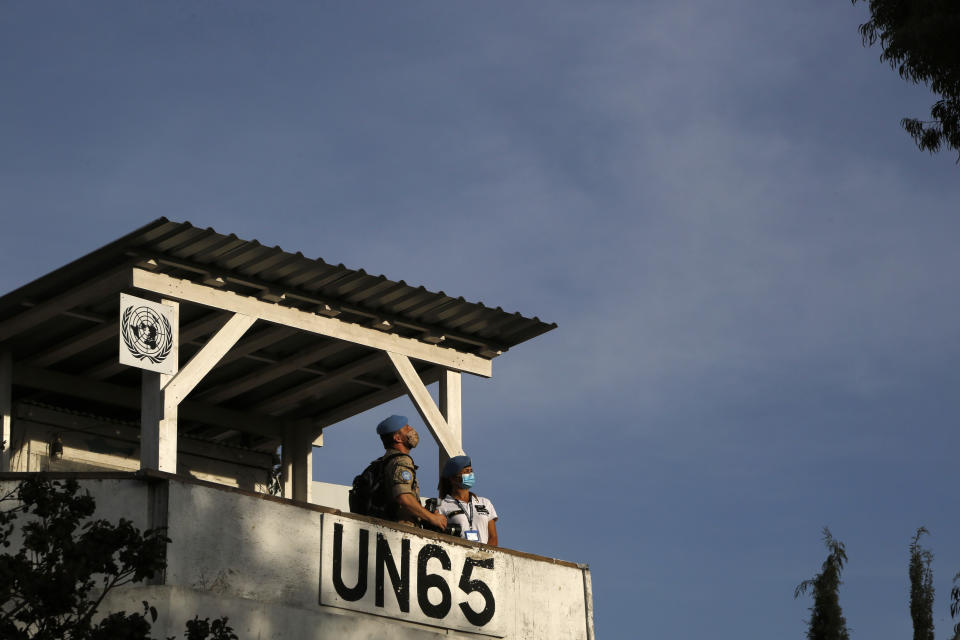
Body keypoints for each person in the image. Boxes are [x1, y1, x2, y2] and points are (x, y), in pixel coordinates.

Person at [376, 414, 447, 531]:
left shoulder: (384, 462)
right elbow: (404, 497)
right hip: (401, 531)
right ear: (398, 438)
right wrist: (433, 518)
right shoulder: (402, 461)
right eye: (407, 428)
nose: (412, 430)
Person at [437, 455, 498, 546]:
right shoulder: (443, 506)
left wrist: (485, 555)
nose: (470, 474)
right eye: (466, 471)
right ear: (453, 478)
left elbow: (493, 537)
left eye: (471, 471)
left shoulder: (485, 503)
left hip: (484, 556)